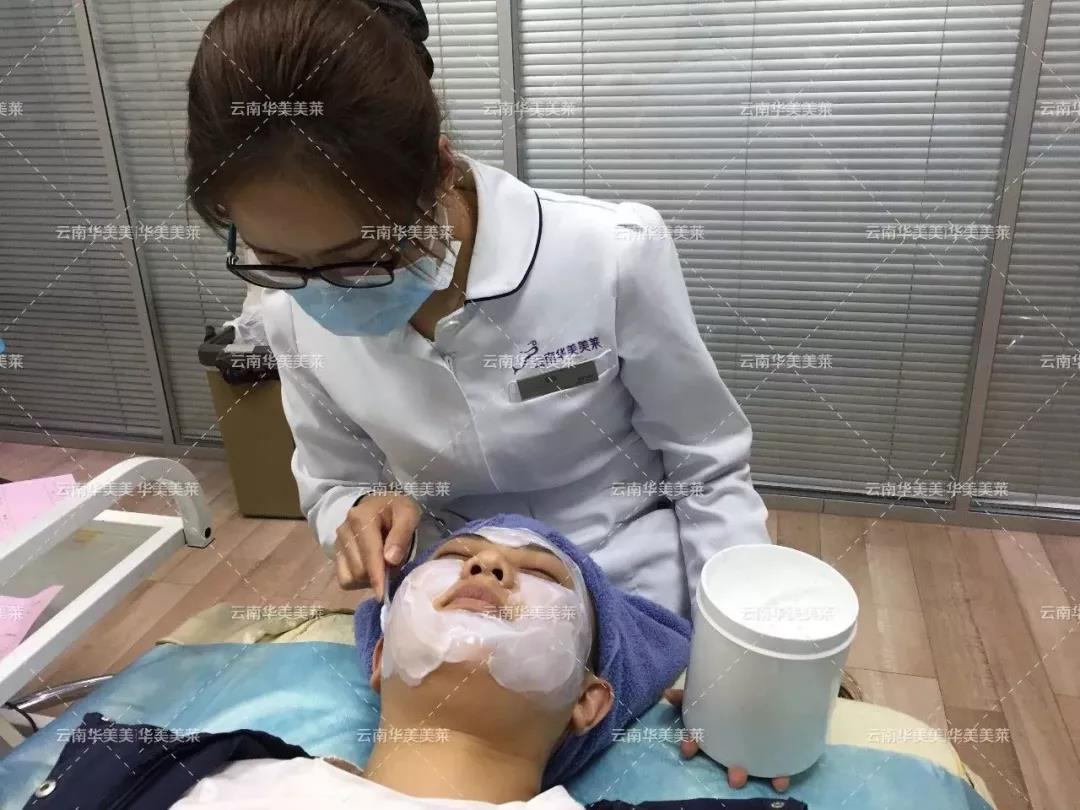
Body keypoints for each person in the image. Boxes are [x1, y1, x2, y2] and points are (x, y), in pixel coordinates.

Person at [185, 0, 772, 618]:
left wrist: (731, 635)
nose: (324, 292)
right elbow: (336, 480)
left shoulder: (611, 253)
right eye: (277, 259)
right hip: (453, 594)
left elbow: (707, 468)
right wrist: (360, 514)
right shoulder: (288, 312)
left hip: (626, 584)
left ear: (440, 172)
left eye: (359, 258)